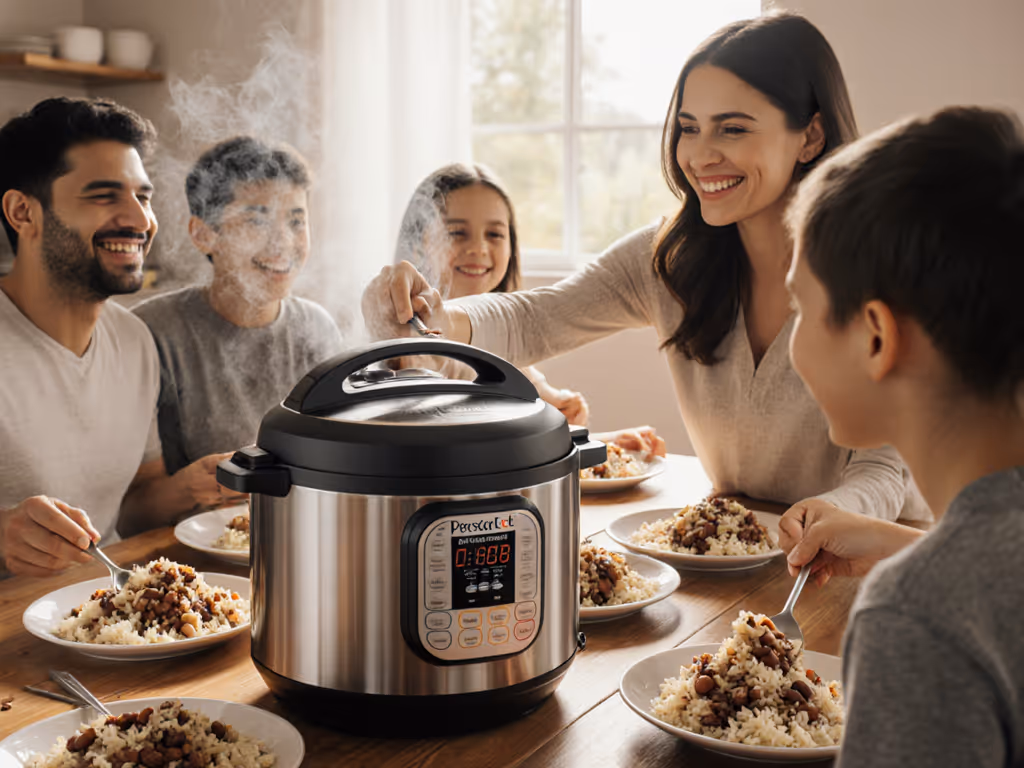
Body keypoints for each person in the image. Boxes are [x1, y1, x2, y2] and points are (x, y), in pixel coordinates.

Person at [362, 12, 924, 520]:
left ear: (811, 136)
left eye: (733, 128)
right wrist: (437, 320)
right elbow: (538, 317)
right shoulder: (667, 259)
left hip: (869, 559)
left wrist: (826, 515)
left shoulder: (876, 268)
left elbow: (885, 469)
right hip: (743, 550)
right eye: (688, 126)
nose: (701, 154)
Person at [778, 106, 1024, 766]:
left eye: (800, 307)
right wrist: (907, 545)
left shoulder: (915, 616)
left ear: (877, 336)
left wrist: (922, 572)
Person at [130, 137, 343, 536]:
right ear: (202, 234)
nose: (282, 242)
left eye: (296, 220)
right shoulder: (151, 332)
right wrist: (186, 488)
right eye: (257, 220)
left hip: (301, 541)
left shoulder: (317, 329)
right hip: (187, 563)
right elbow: (126, 517)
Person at [0, 98, 168, 575]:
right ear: (22, 212)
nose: (139, 220)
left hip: (109, 615)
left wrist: (199, 487)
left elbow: (135, 501)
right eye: (104, 195)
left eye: (144, 196)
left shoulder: (136, 341)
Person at [393, 162, 589, 426]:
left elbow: (548, 411)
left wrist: (598, 435)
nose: (479, 248)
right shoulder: (414, 345)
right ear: (417, 246)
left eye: (495, 234)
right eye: (457, 233)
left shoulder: (504, 340)